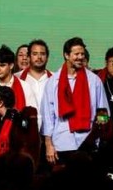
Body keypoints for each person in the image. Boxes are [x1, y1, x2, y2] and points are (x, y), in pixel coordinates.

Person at [40, 37, 108, 166]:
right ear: (66, 55)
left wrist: (99, 137)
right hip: (62, 142)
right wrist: (48, 144)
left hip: (88, 141)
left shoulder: (94, 81)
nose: (80, 57)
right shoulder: (53, 82)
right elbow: (48, 115)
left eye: (82, 54)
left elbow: (103, 112)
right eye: (76, 54)